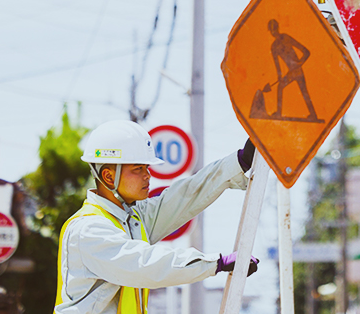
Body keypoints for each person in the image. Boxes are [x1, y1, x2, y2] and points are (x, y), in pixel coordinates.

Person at [54, 121, 259, 314]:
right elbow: (145, 265)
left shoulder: (132, 218)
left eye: (147, 168)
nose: (147, 176)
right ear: (108, 177)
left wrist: (240, 162)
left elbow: (185, 196)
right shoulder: (89, 229)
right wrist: (216, 262)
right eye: (138, 169)